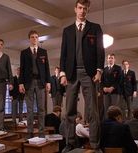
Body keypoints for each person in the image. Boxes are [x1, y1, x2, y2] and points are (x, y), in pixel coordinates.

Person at [59, 0, 105, 152]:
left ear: (88, 10)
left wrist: (99, 71)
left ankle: (95, 145)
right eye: (80, 8)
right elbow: (63, 54)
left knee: (92, 111)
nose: (82, 11)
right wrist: (63, 74)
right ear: (75, 9)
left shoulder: (95, 28)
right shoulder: (67, 30)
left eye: (85, 8)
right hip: (71, 74)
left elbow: (100, 50)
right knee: (69, 111)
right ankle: (70, 143)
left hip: (88, 74)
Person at [19, 30, 51, 138]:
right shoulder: (24, 52)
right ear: (29, 39)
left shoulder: (43, 52)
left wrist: (48, 82)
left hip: (41, 82)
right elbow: (22, 69)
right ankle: (30, 132)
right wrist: (20, 83)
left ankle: (41, 132)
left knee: (41, 108)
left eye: (36, 37)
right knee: (30, 109)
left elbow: (46, 68)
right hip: (28, 82)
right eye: (32, 37)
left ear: (38, 39)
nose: (34, 39)